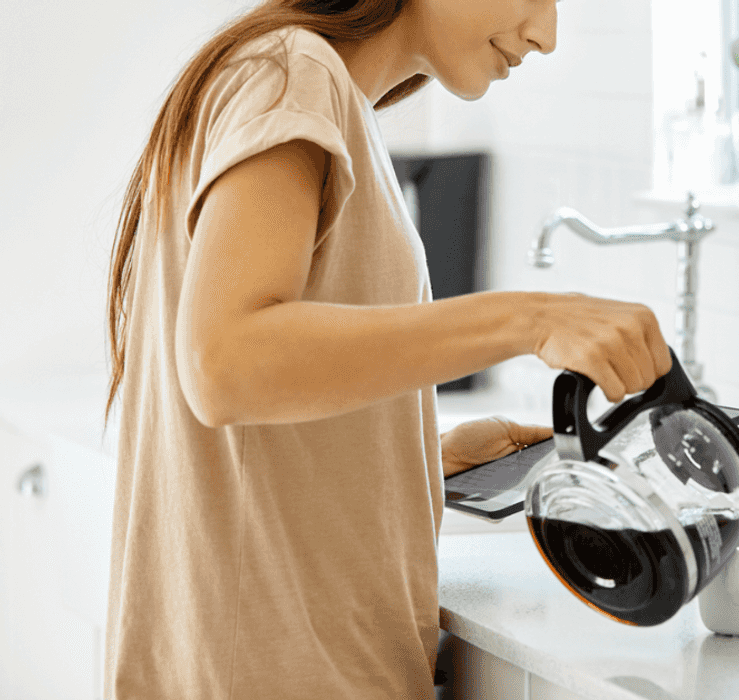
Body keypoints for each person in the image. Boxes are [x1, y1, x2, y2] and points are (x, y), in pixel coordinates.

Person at [101, 0, 672, 697]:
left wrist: (412, 459)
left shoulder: (310, 89)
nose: (546, 35)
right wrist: (530, 318)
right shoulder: (293, 74)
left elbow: (241, 440)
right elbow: (226, 364)